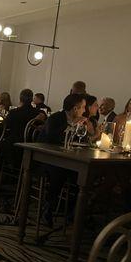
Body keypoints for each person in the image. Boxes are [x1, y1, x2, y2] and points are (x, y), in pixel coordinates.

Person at [38, 93, 87, 226]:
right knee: (59, 172)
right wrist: (71, 126)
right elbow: (51, 138)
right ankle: (48, 207)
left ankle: (74, 211)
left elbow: (81, 140)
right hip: (47, 157)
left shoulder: (80, 121)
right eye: (82, 107)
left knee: (83, 176)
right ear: (75, 108)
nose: (84, 110)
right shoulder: (55, 118)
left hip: (67, 158)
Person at [4, 89, 44, 165]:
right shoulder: (37, 113)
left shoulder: (14, 112)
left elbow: (5, 126)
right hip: (31, 145)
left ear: (20, 99)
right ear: (32, 99)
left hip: (14, 145)